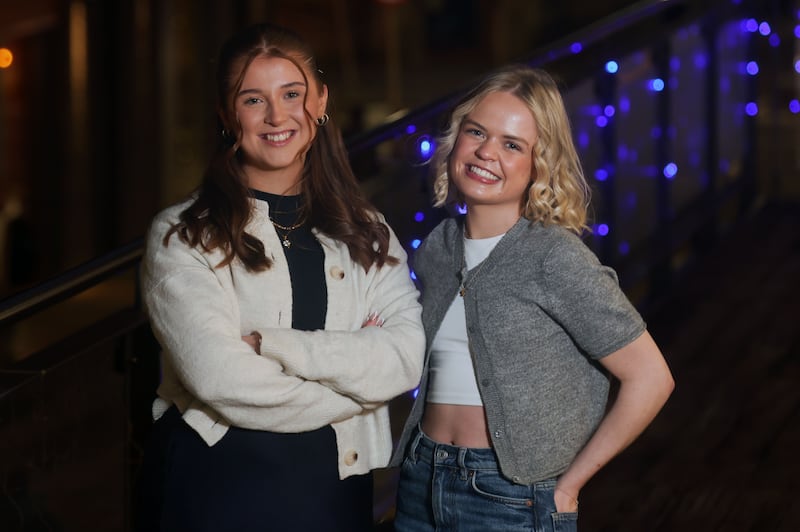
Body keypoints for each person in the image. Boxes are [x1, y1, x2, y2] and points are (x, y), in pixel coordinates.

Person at [134, 23, 424, 532]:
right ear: (228, 114)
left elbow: (404, 359)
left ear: (321, 101)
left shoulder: (366, 230)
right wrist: (358, 388)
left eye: (292, 94)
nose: (276, 116)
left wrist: (276, 347)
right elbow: (220, 378)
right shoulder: (183, 237)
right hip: (221, 491)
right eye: (253, 99)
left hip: (334, 495)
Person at [391, 65, 675, 531]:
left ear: (538, 166)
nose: (486, 152)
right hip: (419, 479)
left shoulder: (554, 257)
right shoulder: (437, 249)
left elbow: (651, 378)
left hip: (510, 497)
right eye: (477, 132)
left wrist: (570, 486)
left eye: (512, 144)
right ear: (457, 138)